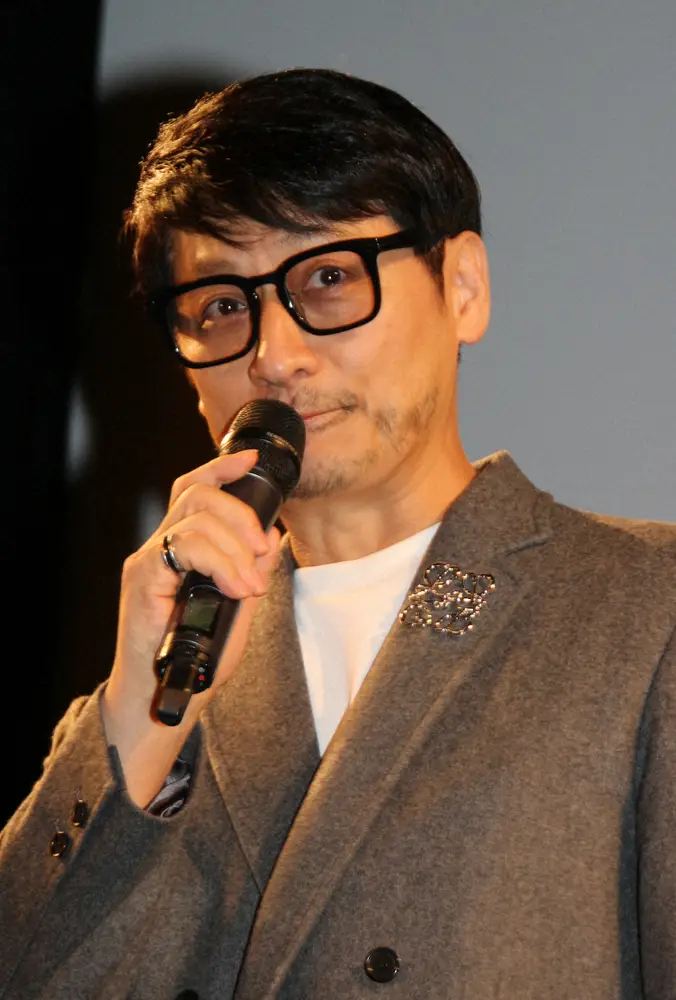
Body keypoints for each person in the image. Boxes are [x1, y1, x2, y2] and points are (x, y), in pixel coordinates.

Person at [1, 67, 675, 1000]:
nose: (274, 356)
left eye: (327, 278)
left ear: (463, 288)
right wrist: (139, 712)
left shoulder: (645, 607)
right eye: (222, 306)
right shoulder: (162, 673)